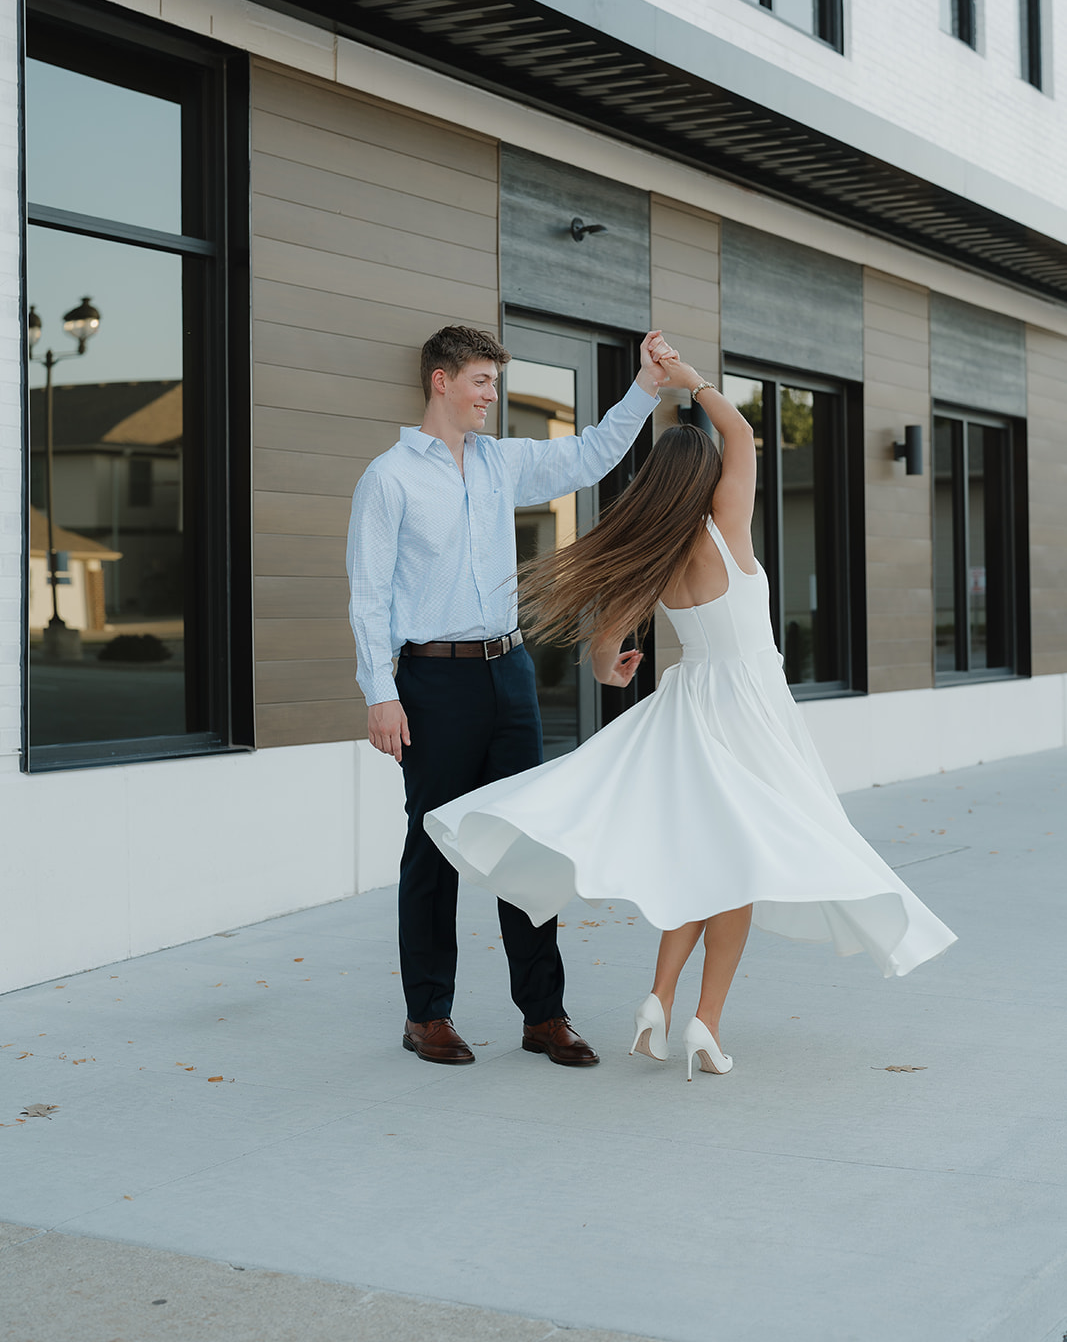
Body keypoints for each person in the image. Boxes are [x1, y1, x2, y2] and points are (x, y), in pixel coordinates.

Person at [425, 356, 958, 1082]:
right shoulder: (724, 526)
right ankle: (703, 1023)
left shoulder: (654, 552)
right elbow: (741, 434)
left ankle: (658, 999)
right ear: (703, 480)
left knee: (704, 865)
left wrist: (609, 669)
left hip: (690, 708)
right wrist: (690, 379)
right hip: (749, 707)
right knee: (739, 867)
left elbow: (608, 644)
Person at [346, 323, 674, 1068]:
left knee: (527, 843)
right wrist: (381, 693)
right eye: (482, 382)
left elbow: (591, 453)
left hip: (508, 672)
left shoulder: (502, 464)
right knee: (432, 846)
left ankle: (543, 1016)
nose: (492, 396)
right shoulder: (389, 477)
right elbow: (367, 596)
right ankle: (427, 1014)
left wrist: (645, 387)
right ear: (440, 380)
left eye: (494, 382)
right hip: (429, 680)